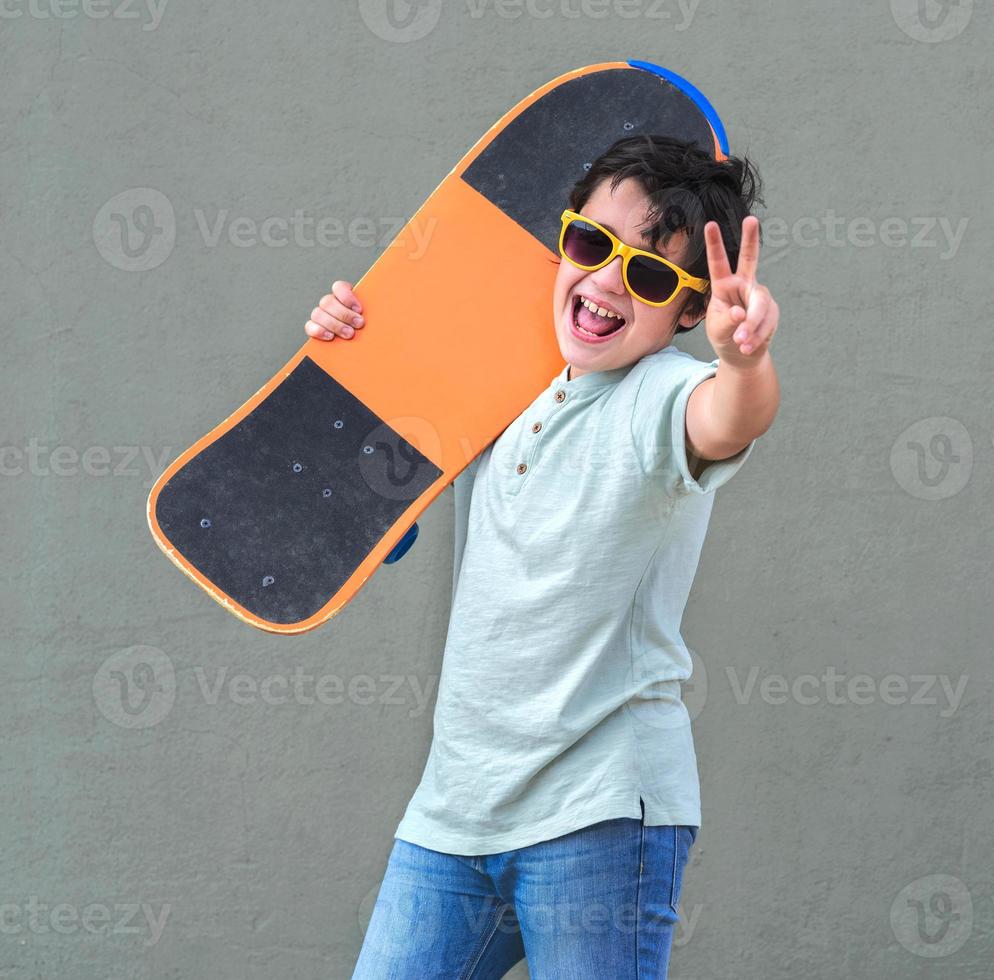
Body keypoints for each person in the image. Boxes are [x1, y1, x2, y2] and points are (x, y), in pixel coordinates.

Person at [305, 134, 779, 979]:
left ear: (685, 312)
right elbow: (378, 513)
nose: (603, 281)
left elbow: (726, 420)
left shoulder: (660, 396)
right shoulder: (504, 386)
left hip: (597, 812)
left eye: (649, 274)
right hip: (456, 812)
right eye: (591, 244)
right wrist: (354, 346)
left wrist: (743, 362)